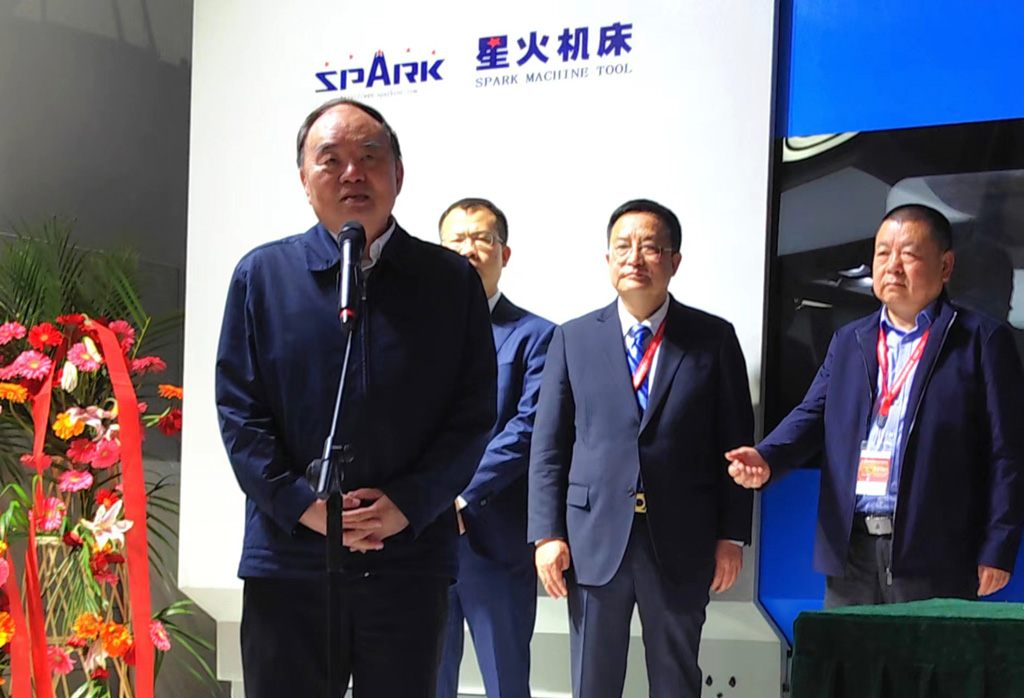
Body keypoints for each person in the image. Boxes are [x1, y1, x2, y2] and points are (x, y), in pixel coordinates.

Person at [215, 97, 497, 698]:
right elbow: (240, 413)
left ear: (399, 174)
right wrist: (304, 505)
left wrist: (406, 505)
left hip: (407, 559)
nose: (352, 174)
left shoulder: (450, 283)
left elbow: (472, 415)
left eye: (370, 157)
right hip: (290, 558)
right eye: (331, 160)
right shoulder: (262, 276)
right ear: (304, 179)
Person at [728, 204, 1024, 607]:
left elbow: (1007, 453)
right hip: (851, 550)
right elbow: (812, 414)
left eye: (909, 254)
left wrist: (998, 546)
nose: (893, 266)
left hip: (935, 551)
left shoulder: (981, 340)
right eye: (883, 253)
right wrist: (766, 456)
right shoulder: (850, 340)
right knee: (847, 649)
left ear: (945, 266)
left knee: (925, 650)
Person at [528, 199, 754, 697]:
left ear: (674, 261)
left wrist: (732, 536)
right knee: (592, 681)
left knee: (676, 679)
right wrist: (547, 534)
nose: (635, 258)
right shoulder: (572, 338)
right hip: (593, 538)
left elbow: (736, 444)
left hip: (681, 538)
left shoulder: (713, 338)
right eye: (623, 247)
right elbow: (549, 447)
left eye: (650, 247)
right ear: (608, 259)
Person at [436, 198, 554, 698]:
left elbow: (528, 428)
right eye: (457, 240)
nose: (469, 249)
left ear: (504, 253)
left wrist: (459, 496)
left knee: (506, 683)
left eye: (482, 239)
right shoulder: (413, 336)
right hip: (424, 540)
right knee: (424, 679)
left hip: (496, 539)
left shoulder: (538, 337)